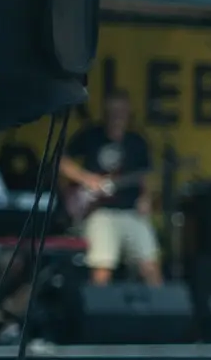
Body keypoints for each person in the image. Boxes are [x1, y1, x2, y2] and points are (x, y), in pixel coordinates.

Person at [62, 90, 163, 286]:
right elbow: (61, 161)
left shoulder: (137, 141)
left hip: (131, 212)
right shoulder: (91, 135)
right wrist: (86, 178)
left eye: (121, 112)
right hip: (100, 213)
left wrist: (146, 198)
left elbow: (145, 177)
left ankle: (162, 314)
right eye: (113, 112)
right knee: (103, 267)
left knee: (151, 265)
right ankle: (98, 313)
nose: (117, 116)